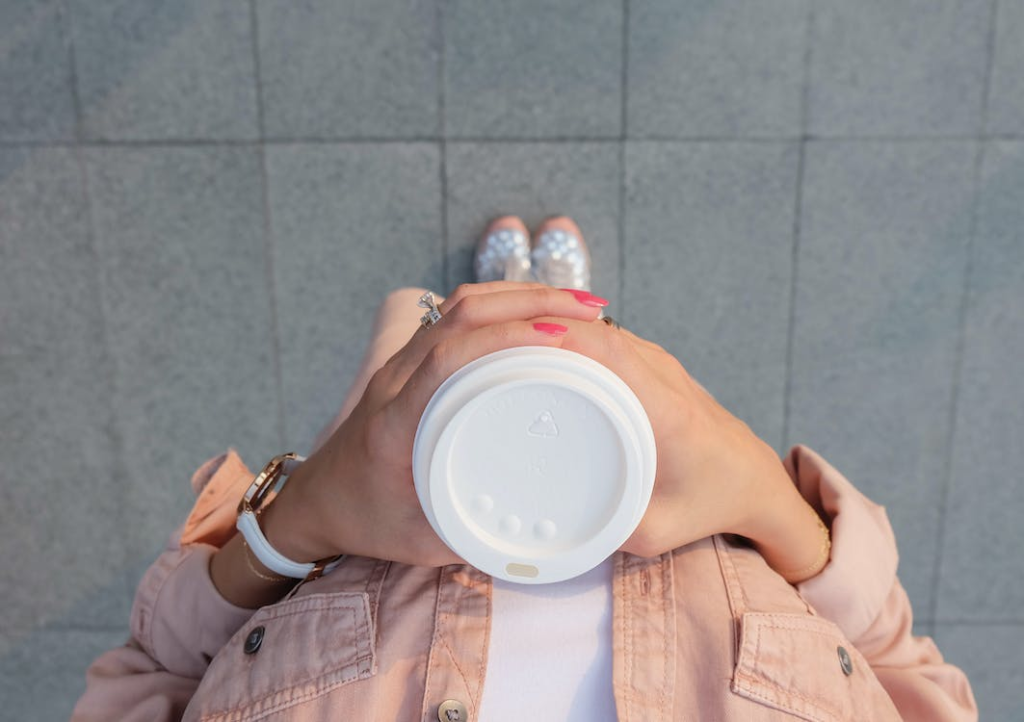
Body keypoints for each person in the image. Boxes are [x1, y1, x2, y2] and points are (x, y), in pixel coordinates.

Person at [72, 216, 977, 721]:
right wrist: (761, 490)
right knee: (574, 355)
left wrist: (298, 519)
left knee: (423, 343)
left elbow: (153, 671)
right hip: (634, 464)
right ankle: (550, 300)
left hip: (388, 490)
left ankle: (487, 304)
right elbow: (900, 668)